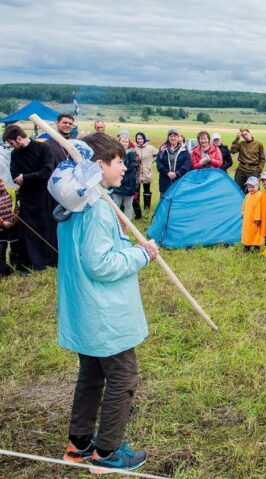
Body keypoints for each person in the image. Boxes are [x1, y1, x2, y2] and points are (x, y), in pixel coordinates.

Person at [51, 132, 159, 473]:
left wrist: (129, 246)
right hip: (104, 313)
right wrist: (141, 255)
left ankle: (80, 443)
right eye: (118, 162)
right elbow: (101, 264)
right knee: (123, 377)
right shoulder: (95, 208)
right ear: (99, 165)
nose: (124, 168)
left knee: (92, 375)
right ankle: (108, 453)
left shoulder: (80, 202)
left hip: (85, 309)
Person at [4, 124, 57, 271]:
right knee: (27, 230)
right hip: (27, 197)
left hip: (44, 195)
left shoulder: (43, 148)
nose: (12, 146)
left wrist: (25, 177)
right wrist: (24, 178)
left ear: (19, 138)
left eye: (12, 143)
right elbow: (14, 175)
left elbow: (47, 172)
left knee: (46, 227)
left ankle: (48, 261)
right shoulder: (15, 154)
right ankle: (30, 262)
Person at [156, 128, 190, 195]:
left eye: (175, 136)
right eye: (171, 136)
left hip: (179, 181)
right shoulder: (163, 149)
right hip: (165, 180)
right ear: (168, 137)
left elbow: (187, 164)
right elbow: (159, 163)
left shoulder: (184, 150)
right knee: (165, 199)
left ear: (178, 137)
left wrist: (177, 174)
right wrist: (167, 172)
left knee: (178, 199)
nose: (173, 138)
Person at [111, 134, 137, 219]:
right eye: (123, 141)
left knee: (128, 204)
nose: (124, 143)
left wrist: (123, 168)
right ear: (119, 142)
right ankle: (114, 220)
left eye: (126, 142)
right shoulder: (115, 153)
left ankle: (127, 221)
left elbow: (133, 166)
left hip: (128, 183)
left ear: (129, 143)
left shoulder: (131, 153)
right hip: (118, 181)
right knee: (116, 203)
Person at [134, 132, 158, 214]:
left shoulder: (150, 148)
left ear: (144, 139)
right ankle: (137, 207)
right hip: (137, 174)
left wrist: (152, 161)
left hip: (147, 172)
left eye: (141, 138)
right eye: (138, 139)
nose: (140, 140)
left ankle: (146, 207)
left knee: (146, 190)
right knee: (136, 191)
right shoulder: (135, 148)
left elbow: (158, 154)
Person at [0, 177, 18, 276]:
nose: (1, 185)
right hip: (2, 227)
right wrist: (3, 222)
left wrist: (14, 219)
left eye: (1, 183)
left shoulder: (11, 192)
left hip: (13, 225)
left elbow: (16, 207)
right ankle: (4, 269)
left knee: (15, 246)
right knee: (2, 248)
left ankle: (14, 265)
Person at [241, 176, 263, 252]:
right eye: (249, 187)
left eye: (253, 187)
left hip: (255, 219)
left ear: (258, 186)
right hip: (247, 218)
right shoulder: (247, 195)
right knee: (247, 232)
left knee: (256, 233)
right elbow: (244, 204)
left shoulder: (259, 195)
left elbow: (259, 207)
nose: (251, 189)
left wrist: (257, 218)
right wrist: (243, 213)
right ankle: (247, 246)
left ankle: (256, 247)